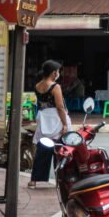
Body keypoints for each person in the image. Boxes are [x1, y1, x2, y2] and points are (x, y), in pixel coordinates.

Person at [29, 60, 71, 189]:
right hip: (55, 119)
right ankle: (62, 180)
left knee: (42, 150)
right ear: (54, 73)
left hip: (43, 119)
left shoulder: (37, 86)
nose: (58, 74)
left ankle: (34, 180)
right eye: (57, 71)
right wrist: (64, 124)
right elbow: (60, 107)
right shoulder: (55, 86)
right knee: (60, 150)